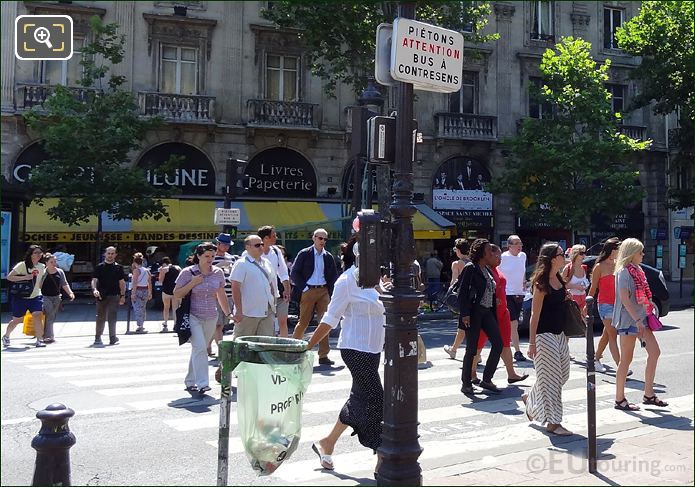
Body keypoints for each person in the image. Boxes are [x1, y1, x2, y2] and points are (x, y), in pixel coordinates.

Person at [307, 240, 391, 473]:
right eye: (371, 258)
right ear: (359, 258)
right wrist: (310, 345)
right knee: (377, 399)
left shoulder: (377, 283)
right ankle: (382, 456)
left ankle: (327, 443)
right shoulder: (346, 281)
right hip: (355, 349)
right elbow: (330, 318)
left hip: (373, 349)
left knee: (359, 399)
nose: (376, 263)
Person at [522, 243, 573, 436]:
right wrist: (532, 343)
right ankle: (553, 423)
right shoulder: (541, 283)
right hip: (544, 336)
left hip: (560, 334)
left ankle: (530, 397)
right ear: (552, 258)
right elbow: (534, 315)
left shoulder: (559, 279)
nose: (564, 256)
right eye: (561, 254)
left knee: (563, 375)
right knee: (552, 381)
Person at [613, 238, 668, 411]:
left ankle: (648, 394)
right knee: (626, 360)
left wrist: (648, 305)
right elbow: (624, 299)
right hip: (629, 321)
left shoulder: (638, 270)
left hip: (642, 319)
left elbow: (643, 293)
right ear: (631, 254)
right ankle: (619, 399)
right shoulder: (623, 272)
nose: (643, 255)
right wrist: (637, 320)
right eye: (640, 252)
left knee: (655, 352)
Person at [174, 242, 232, 395]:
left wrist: (228, 313)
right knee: (200, 347)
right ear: (198, 256)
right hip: (193, 315)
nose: (210, 259)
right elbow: (177, 293)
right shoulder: (188, 272)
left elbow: (221, 294)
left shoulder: (218, 272)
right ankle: (203, 383)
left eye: (212, 256)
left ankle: (190, 380)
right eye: (206, 256)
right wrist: (193, 283)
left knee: (198, 349)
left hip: (211, 316)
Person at [471, 245, 528, 384]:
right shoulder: (482, 271)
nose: (499, 259)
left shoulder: (495, 270)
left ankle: (511, 373)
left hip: (502, 311)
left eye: (500, 256)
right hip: (489, 313)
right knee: (479, 344)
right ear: (487, 256)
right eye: (495, 256)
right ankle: (472, 373)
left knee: (505, 343)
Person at [458, 238, 503, 395]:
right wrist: (465, 314)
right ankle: (466, 383)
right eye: (489, 250)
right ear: (482, 253)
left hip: (487, 311)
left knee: (498, 343)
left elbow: (488, 288)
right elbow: (462, 292)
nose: (491, 252)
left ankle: (487, 379)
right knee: (471, 349)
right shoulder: (471, 268)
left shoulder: (487, 270)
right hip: (474, 312)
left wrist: (493, 297)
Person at [291, 228, 339, 366]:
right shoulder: (304, 253)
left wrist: (330, 292)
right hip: (309, 290)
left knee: (324, 323)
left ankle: (323, 355)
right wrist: (305, 288)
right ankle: (294, 352)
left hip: (323, 291)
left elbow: (333, 276)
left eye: (325, 239)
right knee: (303, 322)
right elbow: (294, 273)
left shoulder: (328, 256)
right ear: (314, 238)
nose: (322, 241)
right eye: (320, 238)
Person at [587, 237, 624, 373]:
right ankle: (621, 367)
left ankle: (595, 359)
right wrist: (587, 304)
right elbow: (593, 287)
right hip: (604, 304)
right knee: (613, 334)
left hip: (618, 304)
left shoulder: (618, 265)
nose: (620, 252)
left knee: (607, 334)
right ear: (612, 250)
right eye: (618, 249)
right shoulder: (599, 266)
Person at [230, 235, 277, 339]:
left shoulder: (267, 263)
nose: (261, 247)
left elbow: (270, 284)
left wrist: (273, 303)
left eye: (262, 244)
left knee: (265, 345)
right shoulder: (241, 264)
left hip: (267, 312)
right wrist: (238, 310)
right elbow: (235, 288)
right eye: (257, 245)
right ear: (248, 247)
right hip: (248, 313)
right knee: (243, 346)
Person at [2, 245, 47, 348]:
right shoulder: (22, 265)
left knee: (37, 315)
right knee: (17, 320)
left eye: (40, 253)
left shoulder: (42, 266)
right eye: (36, 252)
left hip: (35, 297)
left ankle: (39, 339)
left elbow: (40, 282)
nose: (39, 255)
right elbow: (9, 277)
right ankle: (6, 336)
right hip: (20, 297)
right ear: (30, 254)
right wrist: (25, 277)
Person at [499, 235, 527, 362]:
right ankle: (517, 351)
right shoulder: (503, 257)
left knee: (513, 324)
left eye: (520, 243)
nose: (519, 246)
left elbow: (522, 271)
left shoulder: (523, 256)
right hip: (507, 293)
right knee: (514, 323)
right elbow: (496, 272)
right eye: (516, 243)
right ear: (509, 246)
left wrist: (524, 281)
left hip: (519, 293)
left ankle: (506, 346)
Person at [258, 225, 291, 337]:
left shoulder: (276, 251)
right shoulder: (254, 251)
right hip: (260, 295)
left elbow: (283, 272)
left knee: (282, 321)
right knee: (265, 323)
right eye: (273, 235)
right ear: (266, 238)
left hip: (276, 294)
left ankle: (284, 348)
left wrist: (287, 289)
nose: (275, 237)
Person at [91, 246, 126, 346]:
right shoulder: (99, 267)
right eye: (108, 253)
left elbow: (122, 282)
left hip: (114, 295)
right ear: (105, 254)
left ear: (115, 255)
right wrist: (95, 289)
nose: (110, 255)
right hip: (101, 295)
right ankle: (97, 337)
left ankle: (112, 337)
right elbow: (94, 280)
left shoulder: (118, 267)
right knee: (100, 317)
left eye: (112, 253)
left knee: (112, 317)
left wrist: (123, 295)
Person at [211, 233, 238, 356]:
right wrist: (218, 266)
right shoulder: (211, 257)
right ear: (218, 244)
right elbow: (207, 272)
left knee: (222, 324)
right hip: (214, 294)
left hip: (229, 293)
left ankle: (208, 344)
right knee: (218, 324)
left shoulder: (231, 258)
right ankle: (221, 350)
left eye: (228, 245)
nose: (226, 247)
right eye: (224, 244)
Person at [444, 239, 470, 359]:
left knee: (463, 324)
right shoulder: (473, 262)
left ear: (458, 250)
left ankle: (455, 350)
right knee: (467, 325)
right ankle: (470, 351)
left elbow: (453, 282)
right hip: (473, 298)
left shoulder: (457, 264)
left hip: (462, 298)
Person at [41, 252, 75, 343]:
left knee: (51, 316)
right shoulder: (43, 272)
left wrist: (70, 293)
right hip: (45, 297)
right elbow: (38, 285)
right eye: (51, 262)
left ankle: (44, 334)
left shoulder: (60, 271)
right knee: (50, 315)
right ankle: (49, 336)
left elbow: (64, 283)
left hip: (56, 297)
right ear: (46, 263)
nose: (54, 263)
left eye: (55, 261)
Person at [562, 245, 589, 314]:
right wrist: (576, 286)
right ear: (575, 254)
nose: (584, 255)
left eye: (584, 253)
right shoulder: (568, 268)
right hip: (572, 298)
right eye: (581, 253)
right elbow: (561, 285)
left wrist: (585, 286)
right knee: (573, 322)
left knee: (583, 322)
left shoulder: (584, 268)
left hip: (583, 297)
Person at [157, 256, 181, 333]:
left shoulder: (163, 269)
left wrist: (160, 272)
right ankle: (175, 324)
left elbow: (160, 280)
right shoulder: (177, 268)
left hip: (166, 291)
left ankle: (165, 324)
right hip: (175, 290)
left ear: (164, 263)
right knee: (175, 308)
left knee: (166, 307)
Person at [131, 252, 152, 334]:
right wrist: (150, 292)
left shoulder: (136, 271)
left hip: (138, 290)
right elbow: (149, 282)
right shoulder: (147, 270)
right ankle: (142, 324)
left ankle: (140, 325)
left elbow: (135, 282)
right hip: (145, 290)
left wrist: (133, 293)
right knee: (143, 308)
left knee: (137, 308)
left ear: (135, 262)